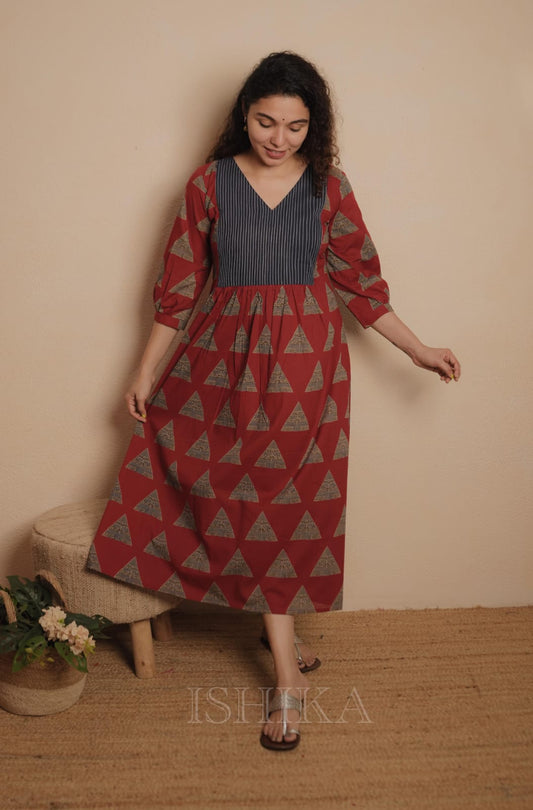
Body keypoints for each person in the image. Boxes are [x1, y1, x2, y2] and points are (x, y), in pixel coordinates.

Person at [87, 51, 461, 752]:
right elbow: (177, 290)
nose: (278, 139)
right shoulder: (207, 184)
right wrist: (143, 372)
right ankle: (283, 642)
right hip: (219, 368)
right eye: (265, 122)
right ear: (244, 115)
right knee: (231, 493)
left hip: (304, 375)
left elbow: (361, 287)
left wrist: (415, 349)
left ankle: (286, 674)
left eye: (294, 126)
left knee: (283, 505)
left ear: (313, 127)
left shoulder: (329, 187)